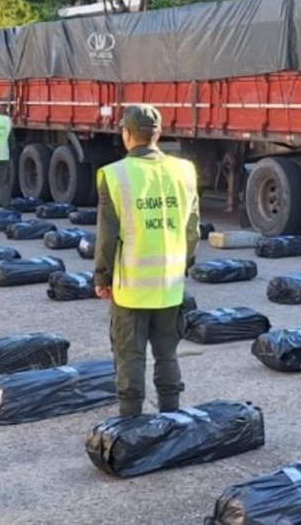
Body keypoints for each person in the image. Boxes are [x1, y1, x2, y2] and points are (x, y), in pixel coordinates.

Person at [93, 104, 200, 416]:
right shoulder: (184, 170)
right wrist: (183, 266)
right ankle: (171, 419)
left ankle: (131, 424)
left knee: (130, 355)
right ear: (159, 134)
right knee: (167, 354)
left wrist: (102, 277)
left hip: (131, 289)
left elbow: (107, 236)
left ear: (127, 135)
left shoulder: (115, 175)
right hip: (169, 285)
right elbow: (192, 229)